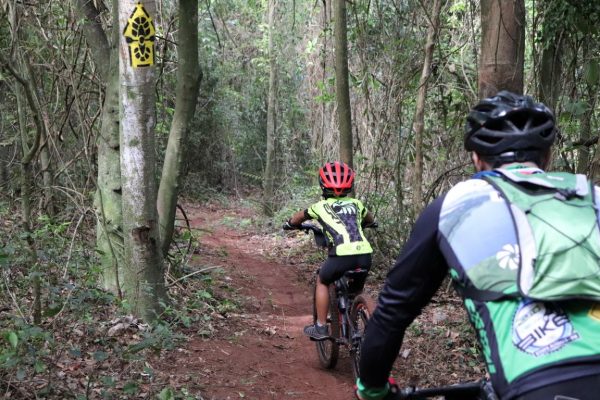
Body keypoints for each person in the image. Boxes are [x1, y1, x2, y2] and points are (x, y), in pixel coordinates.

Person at [356, 91, 600, 400]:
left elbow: (393, 311)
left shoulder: (456, 205)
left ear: (476, 159)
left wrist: (372, 388)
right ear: (547, 157)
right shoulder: (591, 196)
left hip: (538, 385)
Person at [285, 161, 375, 340]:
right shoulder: (357, 204)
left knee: (323, 280)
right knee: (356, 292)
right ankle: (358, 319)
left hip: (341, 256)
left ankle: (320, 327)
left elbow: (299, 217)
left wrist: (290, 224)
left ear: (322, 185)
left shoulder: (320, 206)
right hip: (365, 256)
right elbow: (370, 219)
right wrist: (370, 223)